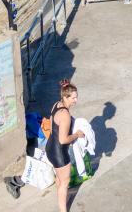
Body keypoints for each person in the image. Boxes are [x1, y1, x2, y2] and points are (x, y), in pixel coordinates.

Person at [46, 80, 86, 212]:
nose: (76, 100)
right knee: (65, 183)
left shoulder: (56, 105)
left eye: (76, 96)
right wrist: (77, 135)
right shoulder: (66, 115)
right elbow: (63, 140)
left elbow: (53, 128)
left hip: (50, 148)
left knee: (59, 178)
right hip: (59, 153)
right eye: (73, 97)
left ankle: (60, 200)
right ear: (65, 97)